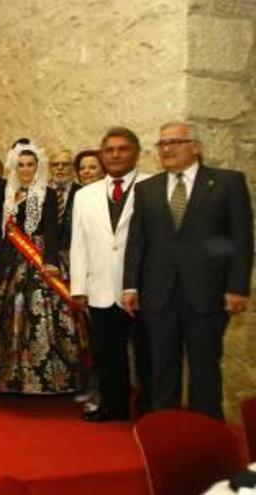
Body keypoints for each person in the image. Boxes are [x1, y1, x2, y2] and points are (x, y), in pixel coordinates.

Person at [123, 122, 253, 420]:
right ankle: (169, 435)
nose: (167, 149)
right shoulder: (147, 189)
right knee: (162, 369)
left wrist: (237, 287)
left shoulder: (227, 183)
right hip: (159, 295)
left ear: (196, 146)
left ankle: (207, 438)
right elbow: (137, 241)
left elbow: (241, 239)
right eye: (162, 144)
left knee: (205, 369)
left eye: (175, 142)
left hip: (207, 295)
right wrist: (131, 286)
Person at [0, 142, 82, 394]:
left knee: (33, 315)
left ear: (38, 167)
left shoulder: (46, 194)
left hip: (36, 260)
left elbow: (52, 233)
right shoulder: (8, 192)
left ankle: (39, 378)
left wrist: (51, 263)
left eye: (30, 165)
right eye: (21, 165)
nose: (25, 169)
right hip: (5, 259)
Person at [70, 127, 152, 422]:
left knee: (147, 355)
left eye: (123, 149)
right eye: (110, 150)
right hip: (100, 289)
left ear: (136, 153)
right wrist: (79, 286)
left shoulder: (152, 186)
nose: (116, 155)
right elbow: (78, 243)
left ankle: (148, 411)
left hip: (142, 288)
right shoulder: (85, 195)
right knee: (108, 354)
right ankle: (113, 406)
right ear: (102, 155)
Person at [48, 149, 81, 255]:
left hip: (74, 252)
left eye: (65, 164)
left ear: (73, 168)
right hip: (44, 255)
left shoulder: (82, 193)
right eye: (55, 164)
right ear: (50, 169)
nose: (60, 168)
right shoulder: (40, 193)